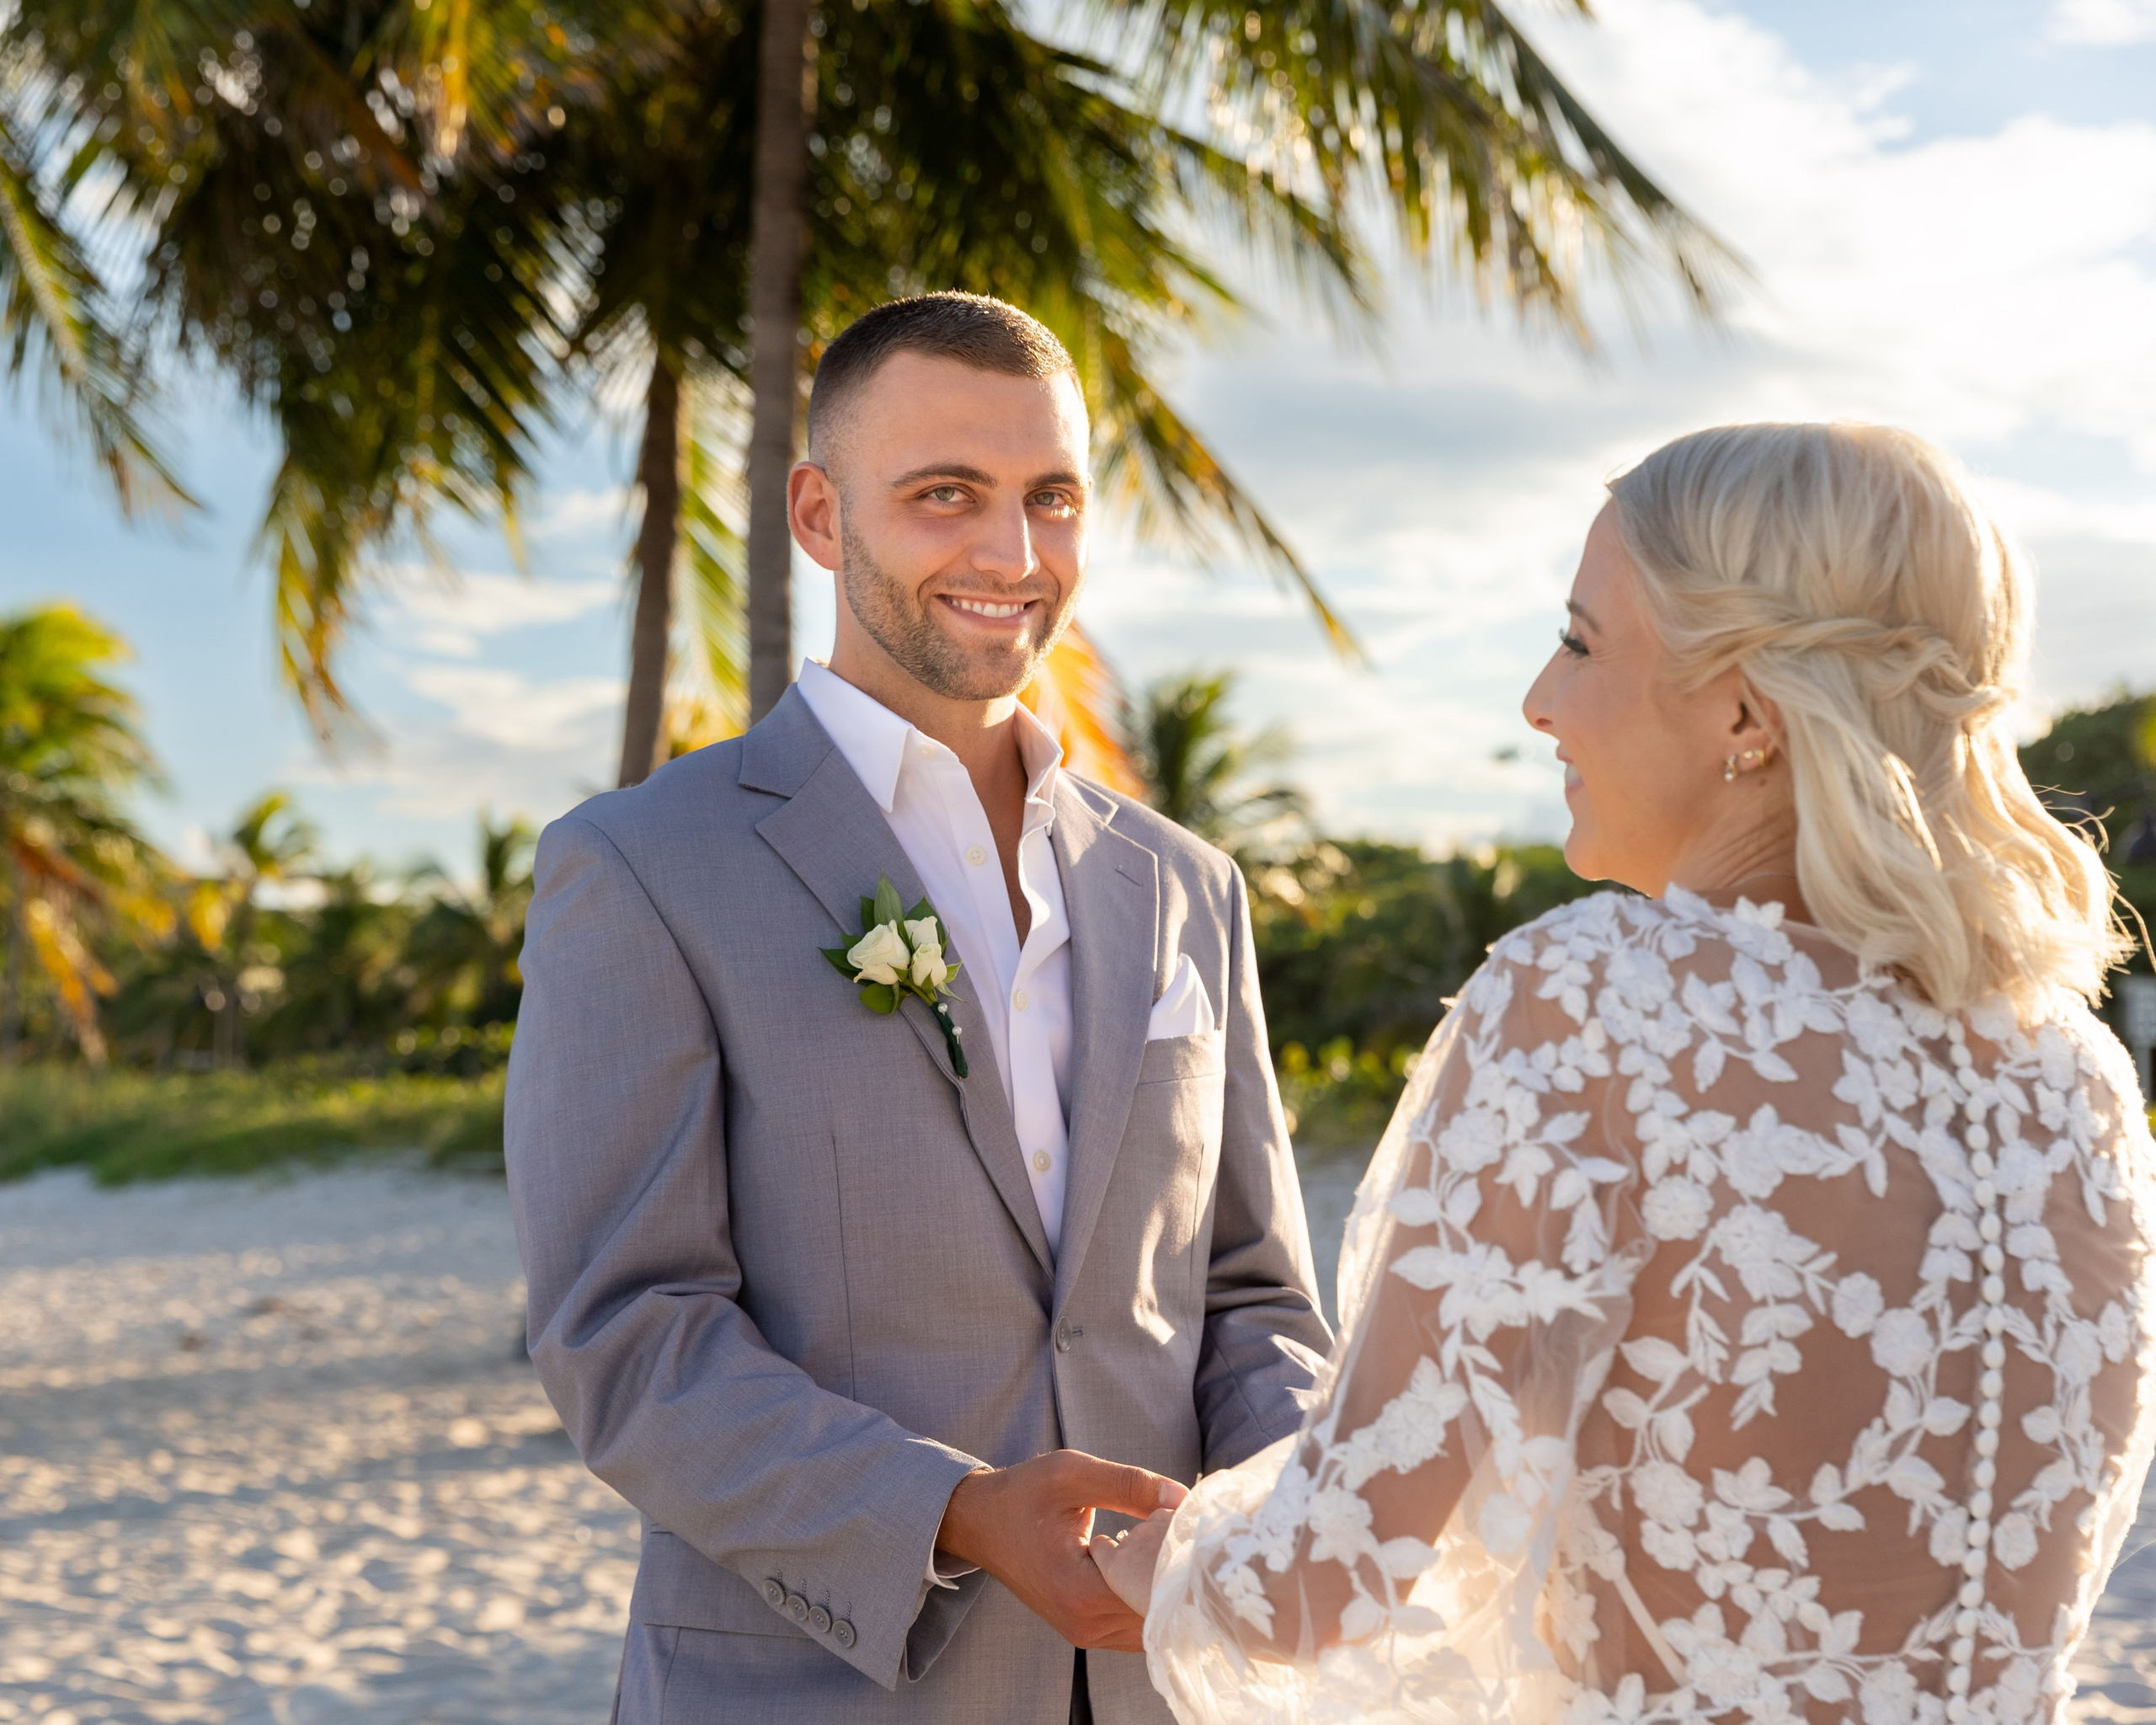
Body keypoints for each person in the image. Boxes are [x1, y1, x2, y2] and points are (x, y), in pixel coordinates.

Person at [1093, 422, 2156, 1725]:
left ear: (1747, 711)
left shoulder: (1595, 1000)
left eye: (1583, 642)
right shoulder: (2078, 1076)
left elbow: (1332, 1578)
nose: (1541, 698)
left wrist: (1156, 1564)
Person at [504, 291, 1331, 1725]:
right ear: (821, 517)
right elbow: (625, 1334)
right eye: (946, 495)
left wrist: (1270, 1517)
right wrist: (952, 1514)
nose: (1012, 556)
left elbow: (1254, 1296)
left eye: (1051, 499)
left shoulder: (1188, 884)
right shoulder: (640, 867)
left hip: (1164, 1689)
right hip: (814, 1691)